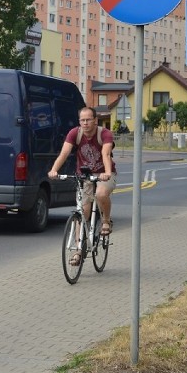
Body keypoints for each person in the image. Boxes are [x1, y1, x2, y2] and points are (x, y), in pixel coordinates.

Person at [48, 107, 117, 264]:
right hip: (85, 176)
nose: (85, 123)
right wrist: (54, 170)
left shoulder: (104, 134)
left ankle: (106, 221)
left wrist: (106, 172)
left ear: (95, 120)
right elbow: (64, 153)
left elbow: (106, 154)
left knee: (100, 194)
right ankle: (79, 251)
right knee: (82, 212)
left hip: (104, 173)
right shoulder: (75, 133)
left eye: (88, 120)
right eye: (82, 120)